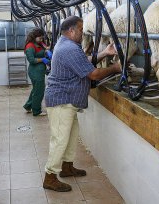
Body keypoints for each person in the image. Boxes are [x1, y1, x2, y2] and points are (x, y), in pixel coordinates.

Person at [42, 16, 122, 192]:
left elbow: (82, 63)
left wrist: (104, 53)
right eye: (80, 29)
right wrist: (115, 68)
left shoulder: (66, 45)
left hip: (67, 101)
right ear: (71, 31)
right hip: (62, 101)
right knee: (60, 139)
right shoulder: (69, 48)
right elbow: (93, 74)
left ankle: (67, 167)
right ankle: (49, 177)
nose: (82, 32)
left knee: (70, 136)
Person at [23, 28, 51, 116]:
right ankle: (36, 111)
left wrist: (48, 51)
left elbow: (46, 48)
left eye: (42, 38)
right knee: (39, 91)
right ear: (34, 37)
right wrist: (42, 59)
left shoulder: (39, 43)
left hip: (39, 71)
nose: (41, 40)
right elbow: (31, 60)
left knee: (35, 90)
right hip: (35, 72)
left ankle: (28, 106)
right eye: (40, 38)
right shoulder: (30, 46)